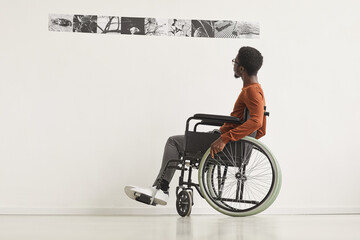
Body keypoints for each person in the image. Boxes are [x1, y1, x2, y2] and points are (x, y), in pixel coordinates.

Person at [124, 46, 266, 206]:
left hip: (225, 143)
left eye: (235, 61)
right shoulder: (254, 90)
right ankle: (161, 188)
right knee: (182, 141)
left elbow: (256, 122)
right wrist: (241, 139)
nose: (233, 64)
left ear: (241, 69)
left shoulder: (252, 92)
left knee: (174, 142)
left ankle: (161, 189)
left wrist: (225, 139)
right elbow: (261, 130)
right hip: (228, 141)